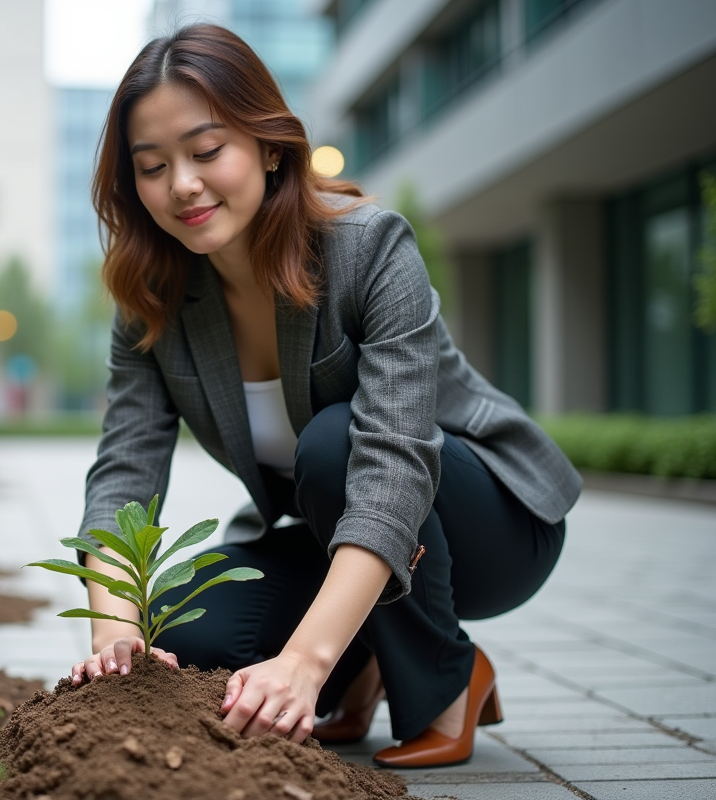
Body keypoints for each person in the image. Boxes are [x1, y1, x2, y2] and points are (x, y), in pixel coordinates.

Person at [68, 24, 581, 768]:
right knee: (186, 635)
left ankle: (446, 680)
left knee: (336, 442)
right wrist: (114, 637)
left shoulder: (370, 248)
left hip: (490, 523)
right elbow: (124, 470)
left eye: (207, 151)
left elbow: (393, 463)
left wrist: (304, 664)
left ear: (270, 147)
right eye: (152, 167)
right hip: (330, 523)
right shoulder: (155, 298)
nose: (182, 184)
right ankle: (373, 648)